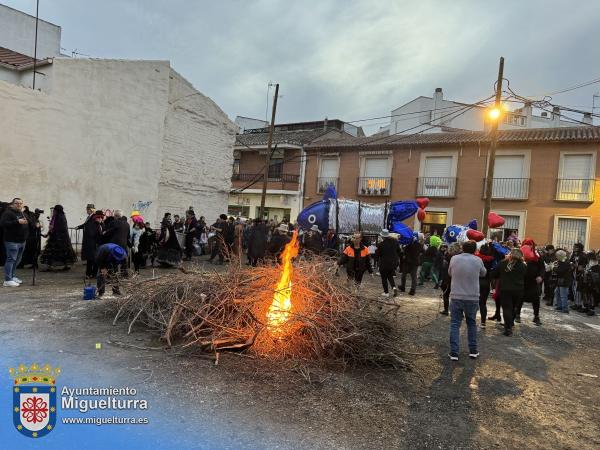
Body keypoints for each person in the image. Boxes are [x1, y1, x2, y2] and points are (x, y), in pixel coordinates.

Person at [447, 240, 486, 361]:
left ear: (462, 248)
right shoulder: (478, 260)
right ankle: (473, 351)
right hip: (472, 296)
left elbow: (450, 273)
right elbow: (483, 273)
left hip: (456, 295)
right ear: (475, 250)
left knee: (455, 324)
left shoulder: (454, 259)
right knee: (471, 323)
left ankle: (454, 352)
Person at [493, 248, 526, 337]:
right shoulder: (523, 265)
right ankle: (510, 323)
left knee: (507, 308)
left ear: (510, 254)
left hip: (505, 289)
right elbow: (526, 277)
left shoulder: (503, 263)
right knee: (514, 307)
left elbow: (494, 273)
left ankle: (508, 328)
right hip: (518, 290)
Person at [0, 198, 29, 287]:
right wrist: (17, 221)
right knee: (11, 259)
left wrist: (36, 224)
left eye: (20, 203)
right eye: (17, 203)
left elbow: (27, 222)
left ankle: (12, 276)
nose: (19, 205)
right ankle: (7, 280)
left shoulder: (22, 213)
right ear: (12, 204)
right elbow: (3, 224)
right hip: (12, 241)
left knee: (17, 260)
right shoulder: (8, 213)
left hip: (21, 241)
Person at [39, 205, 77, 270]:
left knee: (53, 252)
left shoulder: (57, 216)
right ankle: (65, 265)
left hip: (56, 237)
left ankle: (50, 266)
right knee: (64, 252)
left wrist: (49, 232)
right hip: (63, 238)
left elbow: (54, 227)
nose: (54, 211)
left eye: (54, 210)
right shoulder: (62, 216)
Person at [519, 239, 544, 326]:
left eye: (530, 245)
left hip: (534, 281)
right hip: (522, 281)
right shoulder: (519, 254)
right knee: (520, 298)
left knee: (536, 299)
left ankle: (536, 316)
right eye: (527, 244)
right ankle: (517, 315)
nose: (528, 246)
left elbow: (542, 267)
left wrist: (540, 276)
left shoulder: (537, 255)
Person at [376, 229, 400, 297]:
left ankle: (386, 292)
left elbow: (378, 255)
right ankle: (394, 288)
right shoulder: (395, 242)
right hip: (393, 263)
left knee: (384, 278)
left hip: (384, 263)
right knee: (390, 276)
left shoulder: (381, 244)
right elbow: (399, 251)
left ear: (382, 236)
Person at [80, 210, 104, 278]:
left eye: (101, 218)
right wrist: (100, 234)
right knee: (90, 260)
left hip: (98, 244)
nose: (100, 219)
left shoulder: (101, 224)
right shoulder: (90, 224)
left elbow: (103, 230)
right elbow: (91, 233)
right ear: (96, 217)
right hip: (91, 244)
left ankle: (94, 274)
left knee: (96, 260)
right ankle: (88, 274)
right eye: (99, 218)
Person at [475, 243, 495, 328]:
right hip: (486, 283)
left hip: (476, 282)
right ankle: (483, 323)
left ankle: (472, 319)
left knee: (474, 302)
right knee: (483, 303)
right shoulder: (491, 260)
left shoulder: (476, 258)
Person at [553, 249, 572, 314]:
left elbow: (560, 271)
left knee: (563, 295)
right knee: (557, 293)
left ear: (560, 256)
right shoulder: (562, 261)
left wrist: (554, 268)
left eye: (557, 256)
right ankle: (559, 306)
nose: (556, 257)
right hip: (561, 280)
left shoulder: (565, 262)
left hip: (564, 281)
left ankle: (565, 308)